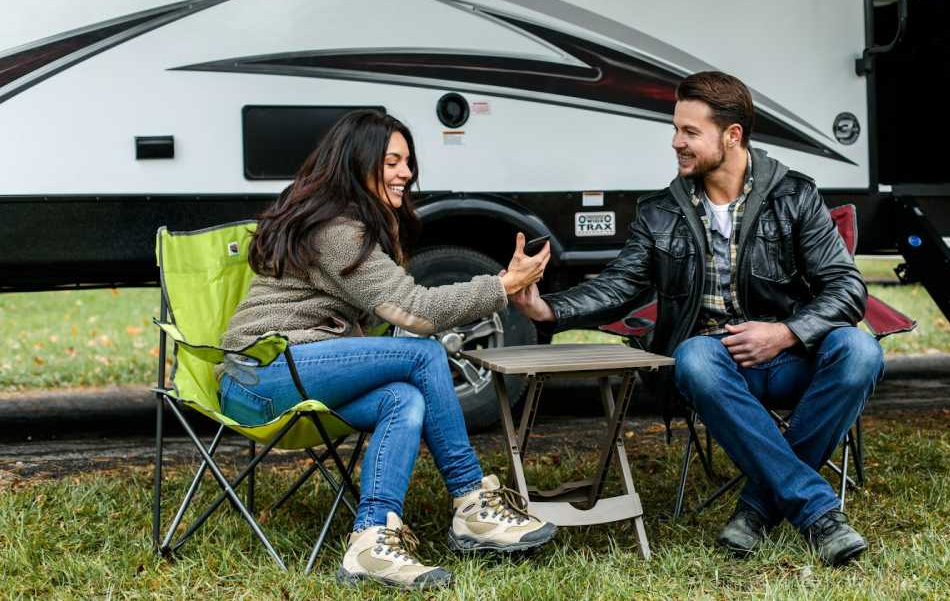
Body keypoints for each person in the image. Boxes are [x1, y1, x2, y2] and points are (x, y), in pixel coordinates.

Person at [511, 72, 883, 567]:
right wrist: (548, 308)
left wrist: (785, 332)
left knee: (861, 350)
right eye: (675, 129)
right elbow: (622, 283)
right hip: (717, 369)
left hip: (795, 358)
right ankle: (818, 511)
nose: (676, 142)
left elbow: (847, 288)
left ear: (732, 136)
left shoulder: (795, 196)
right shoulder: (661, 211)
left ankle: (758, 508)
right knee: (694, 355)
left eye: (689, 132)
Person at [219, 110, 556, 590]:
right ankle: (470, 501)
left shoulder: (350, 222)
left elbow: (393, 306)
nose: (407, 173)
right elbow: (415, 312)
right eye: (392, 162)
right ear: (357, 163)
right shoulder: (337, 230)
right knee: (423, 352)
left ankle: (371, 541)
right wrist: (501, 285)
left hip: (290, 373)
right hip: (259, 375)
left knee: (405, 398)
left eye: (408, 162)